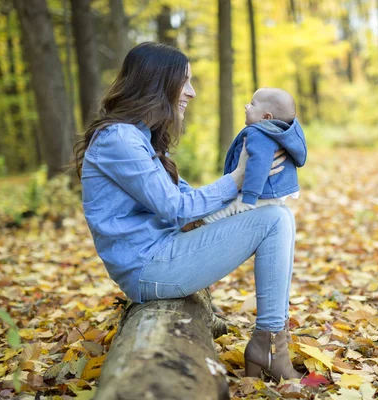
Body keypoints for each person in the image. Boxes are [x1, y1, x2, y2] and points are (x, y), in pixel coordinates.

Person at [73, 42, 302, 382]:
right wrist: (238, 178)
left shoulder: (138, 136)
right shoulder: (118, 139)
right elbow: (176, 209)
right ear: (157, 83)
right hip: (147, 268)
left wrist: (249, 187)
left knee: (278, 215)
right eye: (185, 82)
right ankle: (269, 346)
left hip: (162, 256)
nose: (192, 93)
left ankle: (270, 344)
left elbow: (188, 198)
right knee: (274, 221)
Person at [201, 88, 306, 225]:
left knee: (231, 207)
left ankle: (202, 222)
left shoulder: (259, 135)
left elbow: (258, 165)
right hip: (275, 191)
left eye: (252, 104)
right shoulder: (280, 134)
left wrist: (250, 195)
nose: (246, 106)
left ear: (266, 117)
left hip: (260, 193)